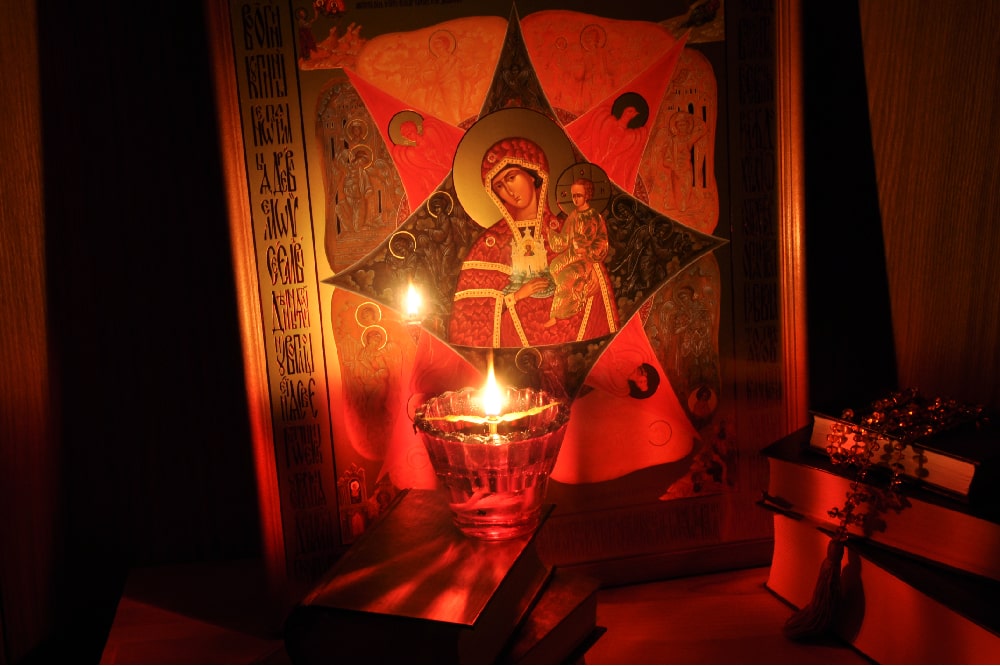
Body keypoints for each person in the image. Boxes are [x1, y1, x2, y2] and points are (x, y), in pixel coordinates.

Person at [448, 137, 618, 348]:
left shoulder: (564, 229)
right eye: (499, 185)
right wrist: (517, 296)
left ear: (533, 174)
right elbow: (470, 316)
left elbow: (591, 271)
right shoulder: (489, 245)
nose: (509, 191)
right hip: (512, 349)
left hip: (568, 341)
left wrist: (593, 278)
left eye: (511, 177)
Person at [545, 177, 610, 327]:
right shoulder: (573, 215)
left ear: (587, 195)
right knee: (554, 266)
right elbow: (564, 239)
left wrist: (587, 250)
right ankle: (573, 294)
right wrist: (550, 233)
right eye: (573, 196)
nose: (575, 199)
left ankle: (558, 314)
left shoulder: (594, 216)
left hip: (587, 257)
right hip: (573, 254)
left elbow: (602, 241)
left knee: (566, 276)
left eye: (579, 195)